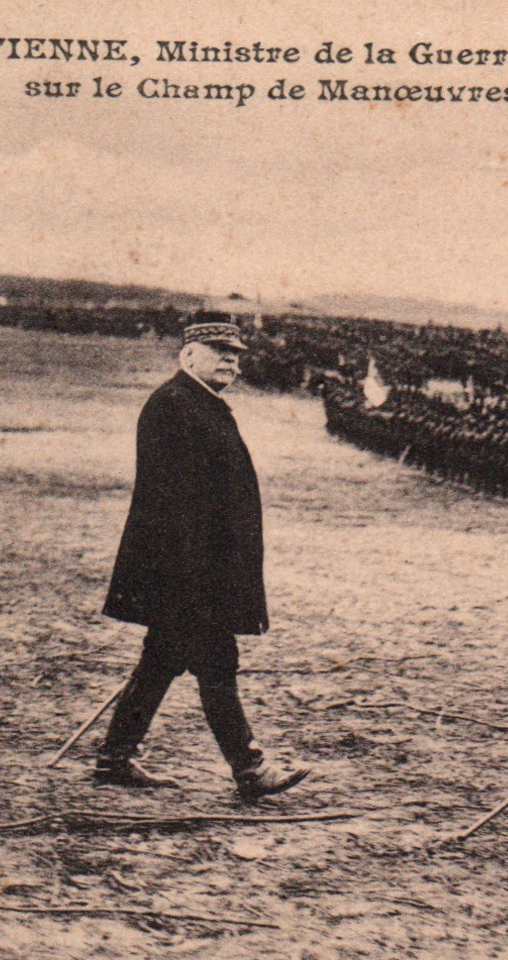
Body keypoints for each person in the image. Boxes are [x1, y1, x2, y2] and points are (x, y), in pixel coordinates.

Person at [96, 311, 309, 802]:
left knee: (161, 660)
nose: (230, 364)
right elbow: (175, 504)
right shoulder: (174, 405)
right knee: (216, 664)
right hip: (187, 572)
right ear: (188, 354)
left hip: (196, 570)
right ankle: (250, 769)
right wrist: (197, 580)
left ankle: (115, 757)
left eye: (235, 357)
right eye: (220, 354)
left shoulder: (199, 402)